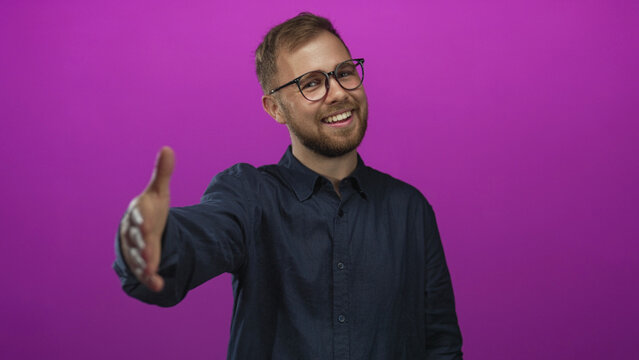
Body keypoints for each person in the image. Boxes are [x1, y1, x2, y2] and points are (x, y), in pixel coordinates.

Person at [114, 12, 463, 359]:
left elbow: (442, 346)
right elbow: (197, 240)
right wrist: (150, 238)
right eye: (311, 83)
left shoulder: (409, 209)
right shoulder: (249, 195)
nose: (338, 92)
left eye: (344, 73)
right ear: (275, 109)